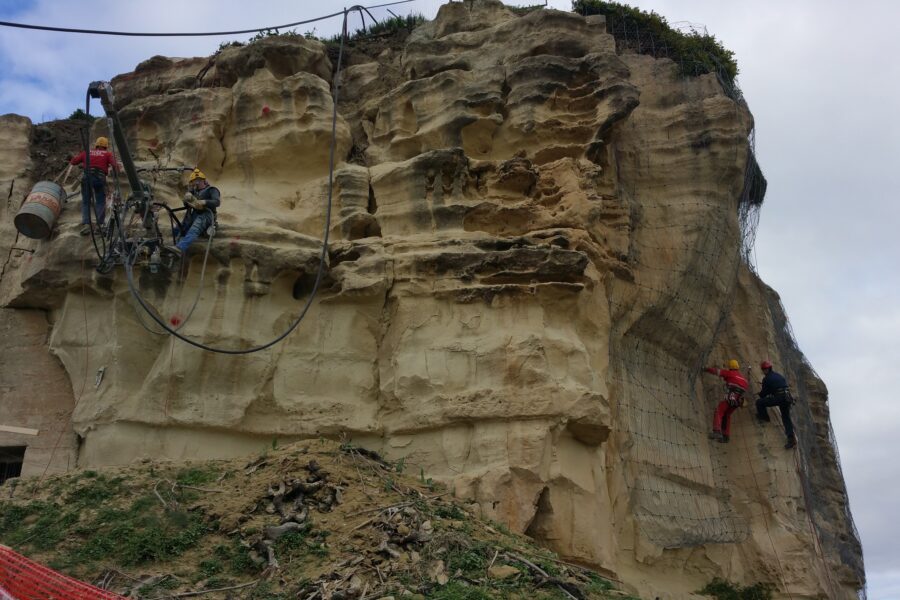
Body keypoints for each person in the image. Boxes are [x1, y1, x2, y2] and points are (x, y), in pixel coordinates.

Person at [70, 136, 119, 235]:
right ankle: (99, 226)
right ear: (106, 146)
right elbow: (115, 165)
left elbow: (73, 162)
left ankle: (86, 225)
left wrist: (76, 158)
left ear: (96, 145)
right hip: (99, 179)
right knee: (100, 201)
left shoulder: (86, 153)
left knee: (86, 202)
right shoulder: (107, 154)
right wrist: (116, 170)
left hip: (86, 178)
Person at [175, 168, 220, 254]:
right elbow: (186, 205)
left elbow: (217, 202)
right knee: (178, 229)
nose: (193, 184)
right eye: (192, 182)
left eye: (195, 181)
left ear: (201, 181)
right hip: (194, 215)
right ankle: (172, 246)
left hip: (207, 215)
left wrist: (204, 202)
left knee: (195, 228)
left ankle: (180, 248)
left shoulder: (211, 190)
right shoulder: (193, 192)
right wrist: (186, 198)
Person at [703, 359, 748, 443]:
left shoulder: (730, 373)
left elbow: (717, 372)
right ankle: (725, 436)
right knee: (727, 415)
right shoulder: (744, 380)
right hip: (738, 402)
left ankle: (716, 431)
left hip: (730, 398)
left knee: (719, 411)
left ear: (730, 367)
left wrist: (706, 369)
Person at [756, 360, 797, 449]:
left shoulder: (766, 379)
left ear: (767, 369)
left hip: (779, 397)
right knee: (786, 417)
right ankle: (791, 439)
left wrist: (759, 393)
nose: (763, 371)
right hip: (787, 398)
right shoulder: (779, 376)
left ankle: (764, 417)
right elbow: (778, 386)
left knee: (759, 402)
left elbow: (764, 394)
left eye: (764, 369)